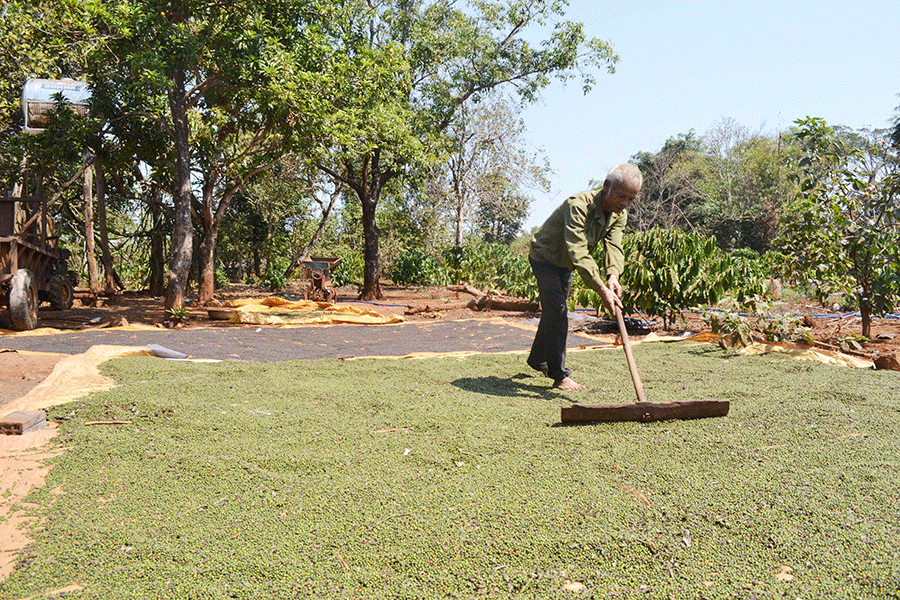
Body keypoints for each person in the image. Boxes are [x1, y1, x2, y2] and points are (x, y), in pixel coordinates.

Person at [527, 163, 642, 390]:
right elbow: (578, 249)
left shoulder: (619, 215)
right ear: (606, 186)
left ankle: (537, 360)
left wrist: (613, 276)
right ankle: (559, 375)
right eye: (621, 196)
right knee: (558, 311)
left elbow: (614, 247)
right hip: (545, 258)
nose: (625, 204)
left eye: (631, 199)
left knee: (553, 310)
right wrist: (601, 289)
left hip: (566, 264)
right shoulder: (578, 206)